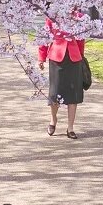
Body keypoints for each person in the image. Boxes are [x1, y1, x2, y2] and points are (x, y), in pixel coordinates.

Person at [41, 9, 92, 138]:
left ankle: (70, 128)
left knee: (73, 93)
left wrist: (81, 57)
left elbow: (81, 40)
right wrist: (41, 58)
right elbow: (44, 37)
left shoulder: (79, 18)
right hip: (56, 58)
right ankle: (53, 120)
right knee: (55, 93)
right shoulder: (52, 16)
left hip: (74, 59)